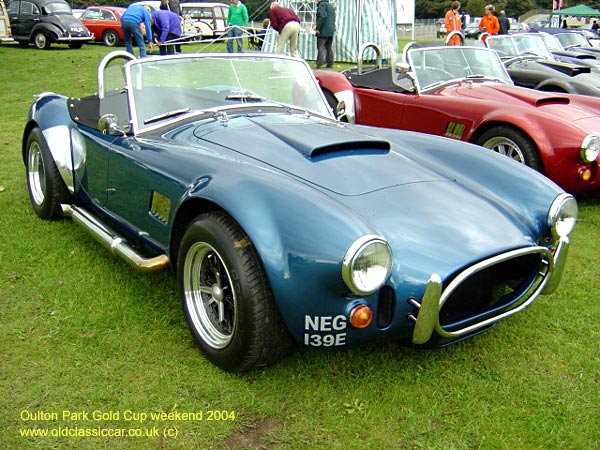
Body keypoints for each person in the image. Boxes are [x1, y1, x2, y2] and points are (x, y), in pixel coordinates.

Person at [315, 0, 336, 68]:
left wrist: (318, 28)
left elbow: (322, 16)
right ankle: (330, 63)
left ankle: (319, 63)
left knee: (320, 46)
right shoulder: (330, 6)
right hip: (331, 29)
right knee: (328, 47)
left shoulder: (321, 5)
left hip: (323, 29)